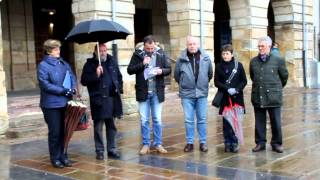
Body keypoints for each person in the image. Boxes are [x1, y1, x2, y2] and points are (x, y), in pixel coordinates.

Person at [127, 35, 171, 155]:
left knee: (157, 119)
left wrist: (162, 71)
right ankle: (146, 144)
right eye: (148, 49)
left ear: (155, 45)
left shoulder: (161, 54)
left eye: (152, 48)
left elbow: (169, 69)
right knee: (144, 119)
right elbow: (130, 70)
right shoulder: (137, 54)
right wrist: (142, 63)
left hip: (157, 92)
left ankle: (158, 144)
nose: (150, 51)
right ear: (144, 46)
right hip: (143, 92)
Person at [37, 39, 77, 168]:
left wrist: (73, 87)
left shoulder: (63, 63)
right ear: (49, 51)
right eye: (56, 49)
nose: (58, 51)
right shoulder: (43, 65)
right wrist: (64, 91)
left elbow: (71, 76)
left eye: (59, 48)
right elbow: (45, 85)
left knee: (65, 132)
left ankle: (64, 156)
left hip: (65, 102)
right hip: (51, 105)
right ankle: (55, 158)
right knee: (55, 132)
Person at [81, 43, 123, 160]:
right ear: (95, 52)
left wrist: (119, 88)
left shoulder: (112, 61)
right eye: (101, 51)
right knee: (98, 127)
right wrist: (96, 74)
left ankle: (112, 149)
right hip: (98, 99)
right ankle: (99, 150)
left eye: (105, 50)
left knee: (111, 126)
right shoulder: (89, 64)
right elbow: (84, 80)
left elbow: (118, 76)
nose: (103, 53)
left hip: (111, 98)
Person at [174, 36, 213, 153]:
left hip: (201, 93)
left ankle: (203, 142)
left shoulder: (205, 58)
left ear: (198, 45)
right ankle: (190, 143)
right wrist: (185, 84)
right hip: (187, 94)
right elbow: (177, 76)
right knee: (188, 120)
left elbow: (210, 74)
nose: (192, 46)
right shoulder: (181, 59)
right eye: (190, 44)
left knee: (202, 119)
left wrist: (202, 84)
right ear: (187, 45)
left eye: (194, 44)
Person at [250, 36, 288, 153]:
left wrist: (275, 88)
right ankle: (260, 143)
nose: (260, 48)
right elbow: (253, 77)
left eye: (263, 46)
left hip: (273, 96)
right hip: (258, 95)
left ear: (269, 47)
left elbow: (284, 77)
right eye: (259, 46)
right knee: (259, 121)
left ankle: (276, 143)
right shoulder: (253, 61)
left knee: (275, 121)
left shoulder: (278, 59)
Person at [214, 44, 247, 153]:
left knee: (236, 121)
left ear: (232, 54)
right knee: (226, 122)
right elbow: (216, 82)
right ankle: (227, 142)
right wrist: (227, 89)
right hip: (225, 97)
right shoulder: (218, 66)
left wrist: (236, 89)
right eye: (223, 53)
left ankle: (235, 142)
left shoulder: (239, 65)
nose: (225, 56)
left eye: (227, 53)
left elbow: (244, 81)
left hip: (237, 98)